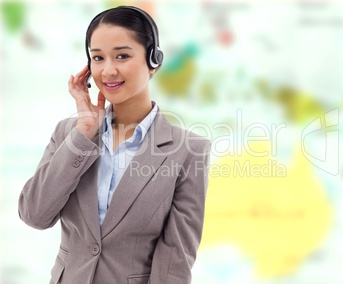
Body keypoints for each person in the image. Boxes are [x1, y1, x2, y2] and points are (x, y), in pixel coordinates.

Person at [18, 5, 211, 284]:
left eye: (122, 55)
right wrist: (82, 136)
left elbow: (175, 262)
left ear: (153, 61)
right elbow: (34, 215)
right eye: (98, 58)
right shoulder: (69, 134)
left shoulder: (188, 152)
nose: (108, 70)